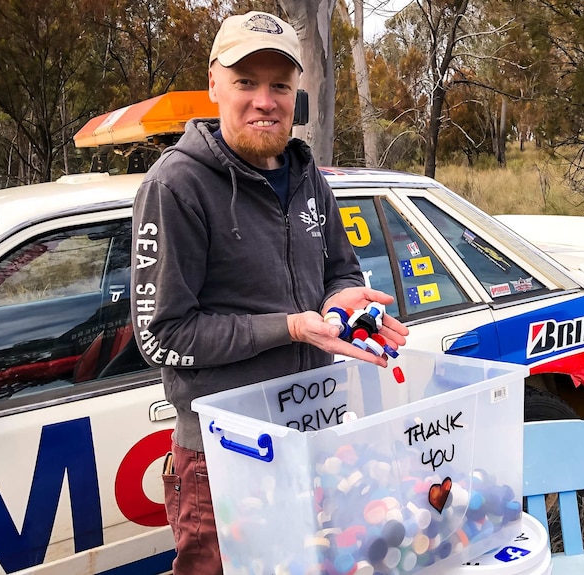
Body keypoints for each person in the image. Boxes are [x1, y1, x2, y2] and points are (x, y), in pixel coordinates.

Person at [130, 11, 409, 574]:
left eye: (280, 84)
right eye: (246, 82)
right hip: (225, 455)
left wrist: (337, 303)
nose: (265, 100)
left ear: (296, 92)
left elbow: (341, 269)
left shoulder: (310, 177)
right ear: (213, 84)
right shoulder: (175, 186)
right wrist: (288, 326)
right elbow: (161, 337)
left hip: (316, 434)